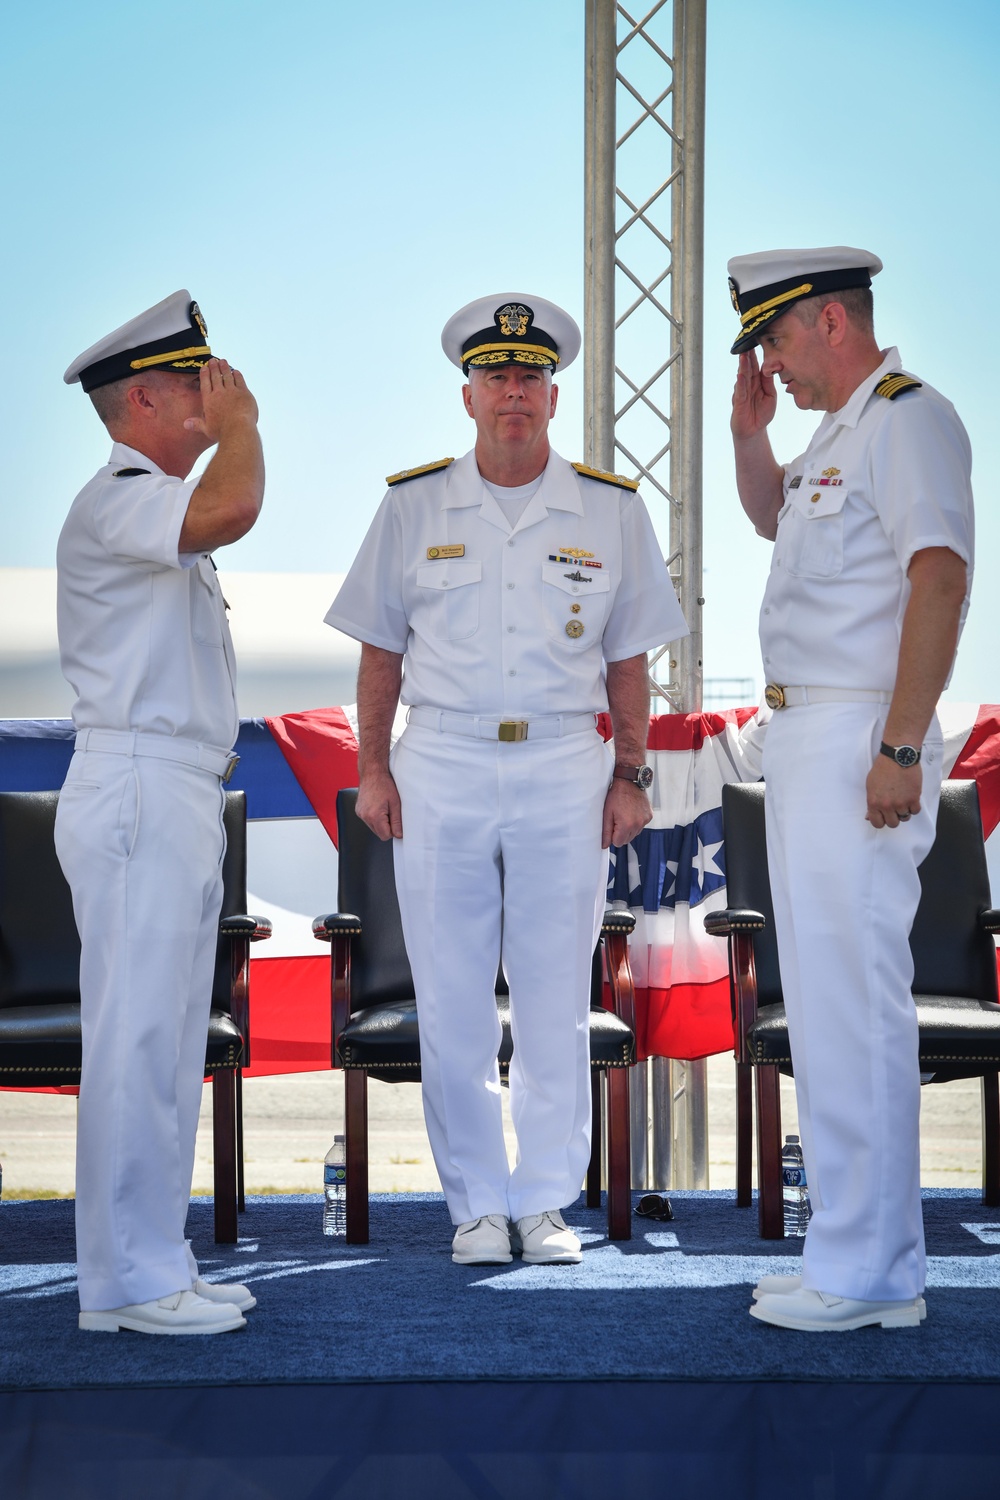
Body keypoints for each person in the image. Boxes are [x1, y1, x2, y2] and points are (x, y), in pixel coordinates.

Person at [325, 294, 688, 1265]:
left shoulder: (609, 509)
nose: (512, 393)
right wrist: (371, 770)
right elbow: (377, 653)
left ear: (554, 395)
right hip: (438, 758)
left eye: (529, 377)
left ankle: (543, 1202)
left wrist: (630, 772)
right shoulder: (411, 505)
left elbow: (627, 660)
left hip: (565, 764)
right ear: (467, 394)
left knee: (552, 995)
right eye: (496, 377)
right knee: (448, 997)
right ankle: (476, 1207)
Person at [727, 247, 973, 1332]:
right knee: (823, 1006)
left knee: (859, 1007)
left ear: (829, 320)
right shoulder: (838, 432)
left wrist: (904, 744)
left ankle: (876, 1273)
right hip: (806, 733)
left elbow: (941, 574)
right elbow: (773, 520)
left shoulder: (909, 417)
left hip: (862, 732)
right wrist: (749, 436)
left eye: (775, 340)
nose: (770, 363)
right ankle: (845, 1247)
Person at [57, 290, 265, 1334]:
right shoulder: (123, 493)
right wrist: (247, 430)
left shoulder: (146, 500)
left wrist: (227, 429)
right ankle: (126, 1283)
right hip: (140, 779)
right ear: (144, 396)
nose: (215, 393)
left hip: (174, 782)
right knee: (137, 1037)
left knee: (170, 1038)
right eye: (196, 379)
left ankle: (156, 1259)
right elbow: (231, 506)